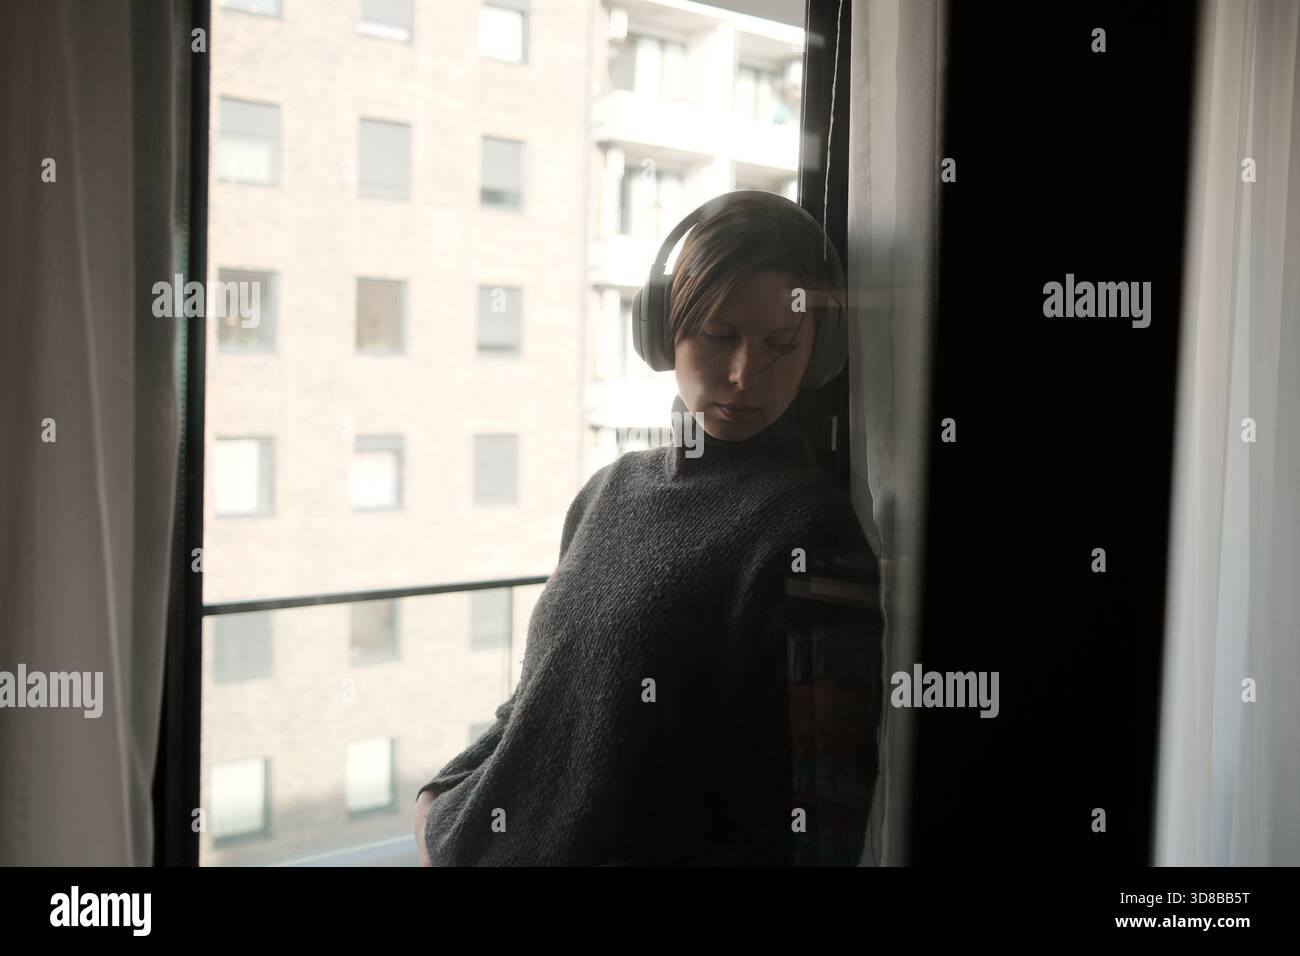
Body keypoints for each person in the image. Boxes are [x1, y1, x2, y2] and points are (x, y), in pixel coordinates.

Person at [414, 192, 884, 866]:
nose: (747, 374)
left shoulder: (813, 537)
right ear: (666, 331)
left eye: (781, 345)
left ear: (819, 351)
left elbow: (815, 834)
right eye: (721, 335)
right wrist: (440, 802)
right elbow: (539, 704)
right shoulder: (608, 491)